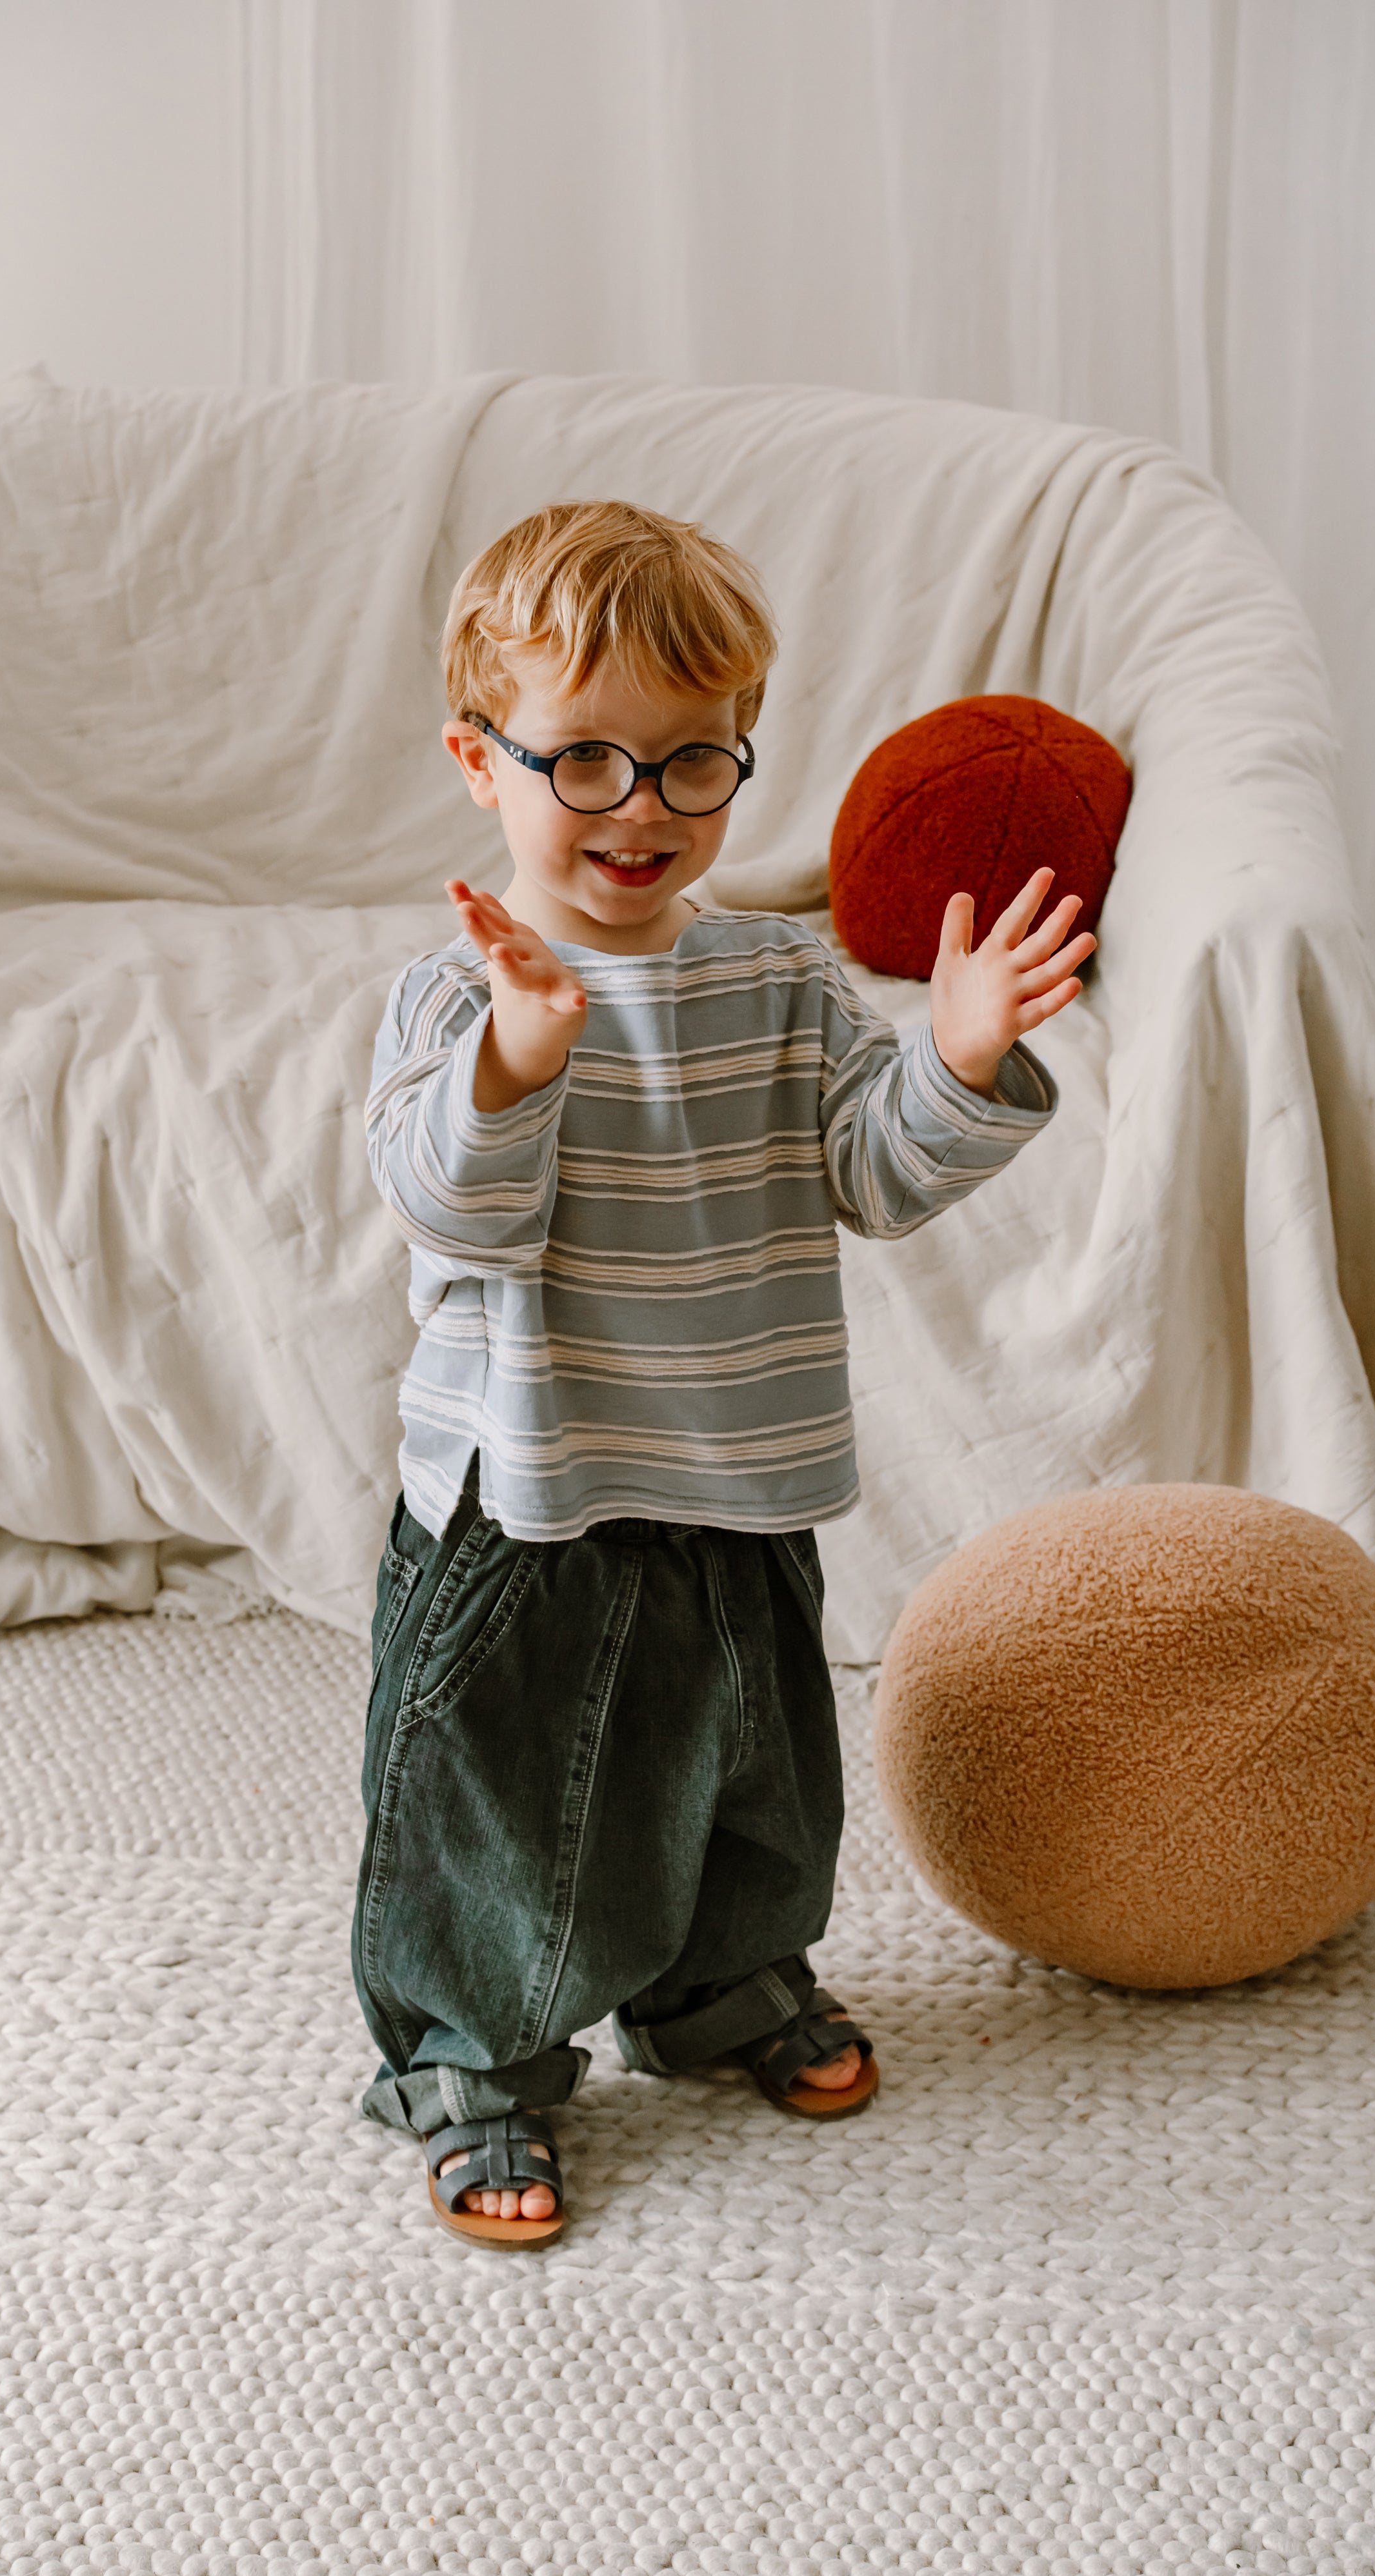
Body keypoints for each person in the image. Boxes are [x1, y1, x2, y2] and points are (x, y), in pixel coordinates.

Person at [358, 501, 1094, 2248]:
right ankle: (474, 2057)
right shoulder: (453, 1000)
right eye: (583, 760)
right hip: (527, 1500)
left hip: (741, 1471)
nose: (641, 808)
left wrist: (956, 1060)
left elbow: (874, 1176)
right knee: (501, 1796)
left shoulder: (778, 977)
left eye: (693, 761)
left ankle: (720, 1986)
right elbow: (449, 1208)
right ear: (478, 760)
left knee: (752, 1766)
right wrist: (522, 1053)